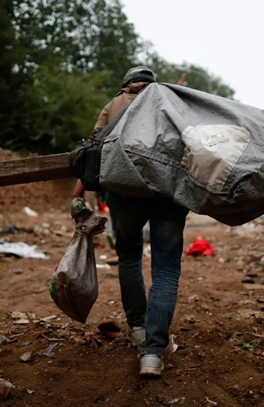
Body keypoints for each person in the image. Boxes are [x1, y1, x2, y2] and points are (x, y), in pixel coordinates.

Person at [73, 66, 189, 377]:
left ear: (125, 85)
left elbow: (92, 152)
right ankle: (152, 353)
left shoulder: (112, 106)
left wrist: (79, 194)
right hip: (168, 195)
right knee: (166, 269)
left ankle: (138, 328)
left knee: (129, 258)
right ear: (152, 84)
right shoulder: (170, 99)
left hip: (124, 195)